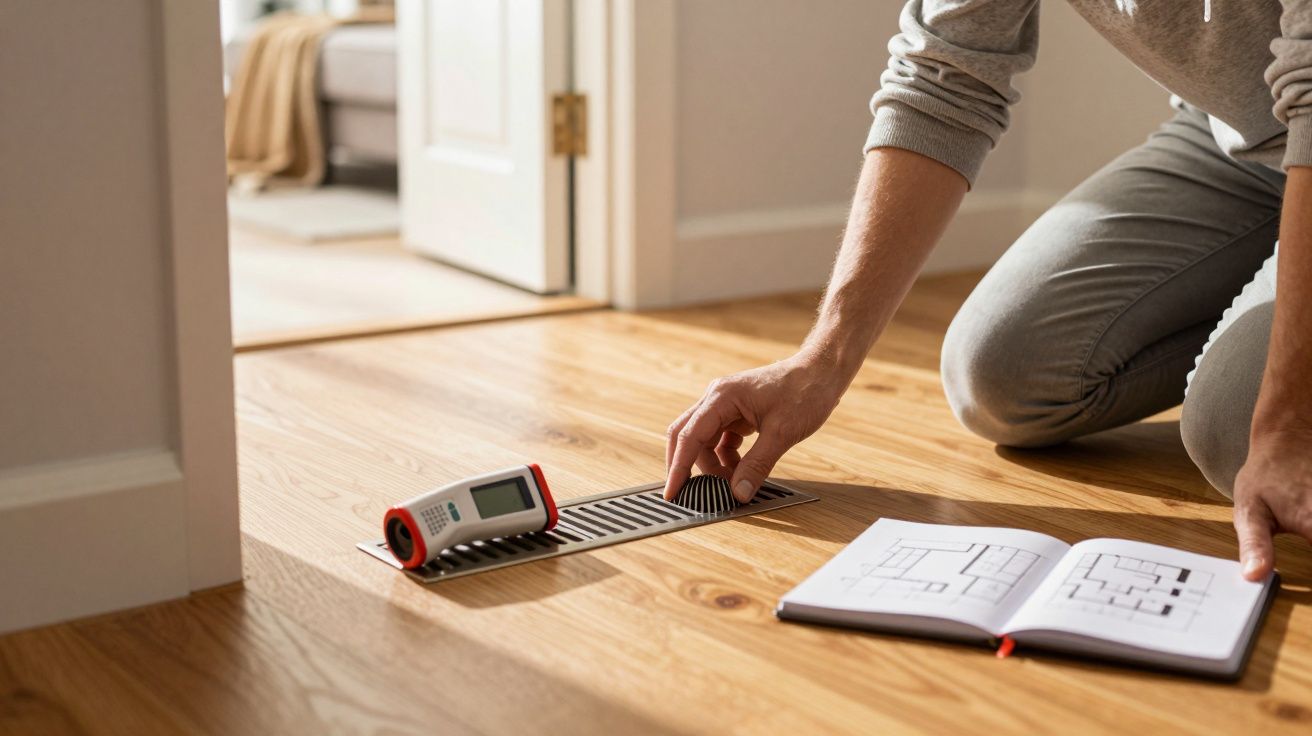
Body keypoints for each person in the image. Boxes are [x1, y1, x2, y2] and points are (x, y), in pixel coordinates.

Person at [662, 2, 1312, 582]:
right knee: (1002, 375)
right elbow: (944, 77)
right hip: (1236, 138)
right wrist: (821, 359)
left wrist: (1285, 418)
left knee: (1237, 431)